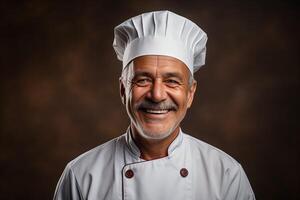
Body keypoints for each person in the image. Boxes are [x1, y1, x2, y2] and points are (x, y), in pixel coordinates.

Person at [53, 10, 255, 200]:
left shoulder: (227, 176)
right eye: (142, 80)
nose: (157, 95)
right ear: (123, 90)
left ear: (190, 93)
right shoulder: (81, 175)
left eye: (172, 81)